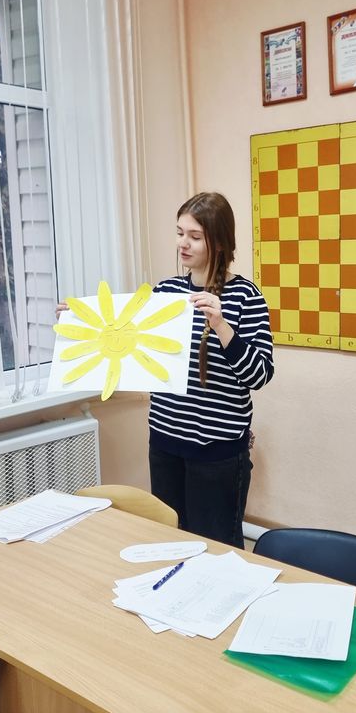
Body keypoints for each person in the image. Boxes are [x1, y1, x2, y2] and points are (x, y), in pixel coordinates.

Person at [148, 192, 274, 547]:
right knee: (170, 540)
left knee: (216, 548)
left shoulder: (246, 296)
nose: (182, 244)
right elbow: (136, 351)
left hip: (218, 451)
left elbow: (259, 374)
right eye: (179, 233)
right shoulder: (166, 292)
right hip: (165, 442)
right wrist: (84, 323)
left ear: (218, 242)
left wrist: (220, 325)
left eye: (194, 236)